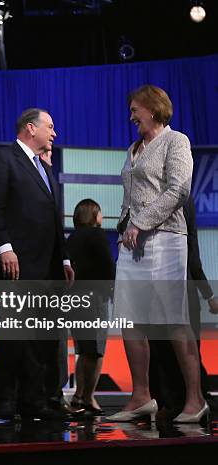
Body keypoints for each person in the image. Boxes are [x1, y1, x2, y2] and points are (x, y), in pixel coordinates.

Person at [107, 84, 207, 424]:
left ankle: (195, 400)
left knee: (173, 320)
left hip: (166, 239)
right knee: (130, 319)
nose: (131, 115)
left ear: (152, 108)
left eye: (135, 108)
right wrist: (125, 227)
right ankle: (141, 396)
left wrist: (142, 222)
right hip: (133, 243)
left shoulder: (176, 140)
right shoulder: (134, 148)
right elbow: (130, 195)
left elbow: (178, 189)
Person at [0, 108, 75, 421]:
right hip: (14, 265)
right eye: (50, 126)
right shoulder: (3, 158)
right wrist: (4, 247)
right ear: (30, 128)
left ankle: (34, 402)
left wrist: (63, 257)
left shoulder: (44, 167)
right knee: (15, 333)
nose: (54, 133)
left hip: (45, 268)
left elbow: (52, 216)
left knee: (38, 338)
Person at [148, 195, 218, 419]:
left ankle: (178, 404)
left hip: (166, 290)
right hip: (180, 289)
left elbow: (191, 254)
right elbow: (192, 254)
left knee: (166, 353)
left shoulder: (161, 200)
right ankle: (190, 401)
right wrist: (208, 295)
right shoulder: (181, 200)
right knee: (185, 351)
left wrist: (207, 293)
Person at [66, 199, 115, 415]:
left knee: (84, 350)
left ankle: (79, 396)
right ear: (94, 215)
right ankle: (87, 397)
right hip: (95, 298)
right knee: (95, 350)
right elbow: (107, 265)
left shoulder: (71, 237)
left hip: (76, 299)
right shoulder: (97, 235)